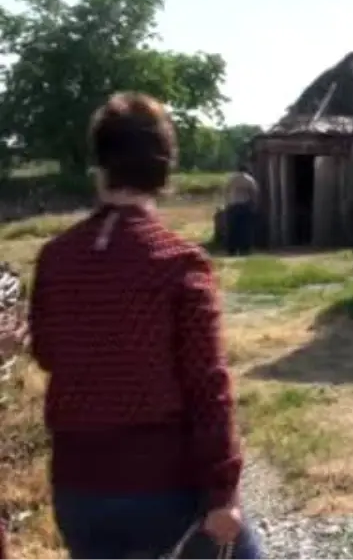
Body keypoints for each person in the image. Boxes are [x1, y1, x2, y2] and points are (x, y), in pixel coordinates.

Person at [27, 92, 262, 559]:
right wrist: (222, 493)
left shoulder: (56, 258)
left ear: (100, 164)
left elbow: (49, 353)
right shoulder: (179, 262)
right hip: (162, 485)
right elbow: (207, 385)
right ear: (165, 168)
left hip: (78, 488)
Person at [223, 163, 259, 256]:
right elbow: (254, 193)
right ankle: (244, 249)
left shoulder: (231, 179)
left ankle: (232, 249)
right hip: (244, 206)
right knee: (245, 228)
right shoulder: (249, 179)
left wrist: (227, 203)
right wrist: (254, 204)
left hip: (233, 205)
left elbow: (226, 191)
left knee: (232, 228)